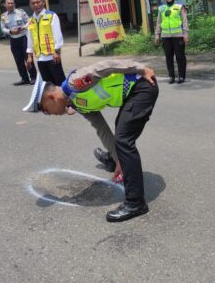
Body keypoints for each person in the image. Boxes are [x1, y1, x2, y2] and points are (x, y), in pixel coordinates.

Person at [23, 59, 159, 223]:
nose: (49, 114)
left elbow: (107, 66)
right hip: (133, 94)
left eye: (46, 110)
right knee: (121, 135)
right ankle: (115, 161)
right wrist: (118, 160)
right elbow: (101, 128)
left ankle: (135, 202)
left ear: (51, 97)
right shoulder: (76, 103)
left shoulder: (75, 83)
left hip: (143, 86)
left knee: (124, 140)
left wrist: (141, 68)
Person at [26, 0, 65, 86]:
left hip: (52, 56)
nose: (36, 5)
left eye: (38, 2)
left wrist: (57, 52)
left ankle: (67, 99)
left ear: (43, 2)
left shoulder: (51, 16)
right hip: (40, 58)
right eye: (33, 3)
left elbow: (57, 35)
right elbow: (30, 39)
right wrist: (29, 56)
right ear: (30, 5)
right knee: (48, 84)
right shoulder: (31, 20)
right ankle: (53, 100)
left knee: (60, 82)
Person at [154, 0, 189, 84]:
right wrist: (157, 34)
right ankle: (171, 76)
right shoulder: (161, 8)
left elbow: (185, 20)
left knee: (180, 56)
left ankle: (181, 76)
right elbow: (158, 22)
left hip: (178, 36)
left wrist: (185, 34)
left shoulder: (179, 6)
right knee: (168, 57)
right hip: (166, 37)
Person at [0, 0, 37, 86]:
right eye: (8, 3)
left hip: (24, 38)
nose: (10, 5)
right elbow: (3, 28)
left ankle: (33, 77)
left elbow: (29, 22)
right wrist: (10, 31)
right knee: (18, 60)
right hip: (13, 39)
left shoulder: (21, 12)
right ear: (5, 5)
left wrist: (24, 27)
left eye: (12, 3)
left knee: (28, 59)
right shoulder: (3, 16)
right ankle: (24, 79)